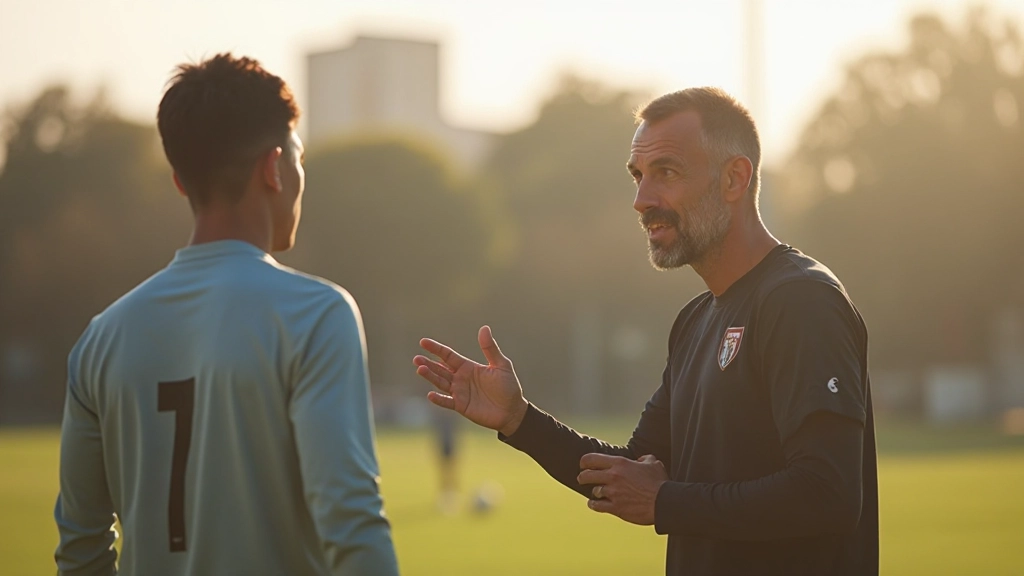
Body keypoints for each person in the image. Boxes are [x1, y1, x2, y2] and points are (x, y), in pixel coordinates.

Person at [414, 87, 877, 576]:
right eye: (638, 176)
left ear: (735, 178)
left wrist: (668, 503)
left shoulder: (800, 300)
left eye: (667, 173)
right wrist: (519, 420)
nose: (641, 200)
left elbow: (828, 493)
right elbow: (633, 469)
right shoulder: (696, 320)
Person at [54, 54, 399, 576]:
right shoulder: (316, 315)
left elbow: (81, 552)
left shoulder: (100, 340)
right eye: (297, 160)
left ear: (179, 181)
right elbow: (351, 524)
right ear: (273, 168)